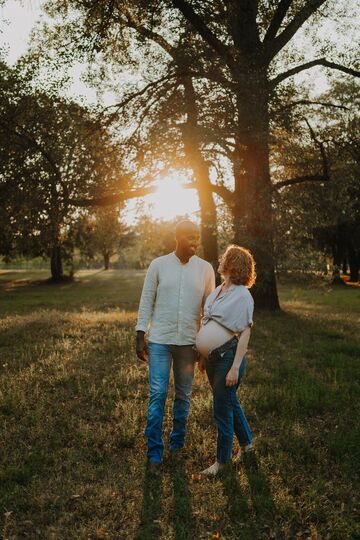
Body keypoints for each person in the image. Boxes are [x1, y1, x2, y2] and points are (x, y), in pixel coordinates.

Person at [136, 220, 215, 472]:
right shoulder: (158, 265)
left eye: (198, 236)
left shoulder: (205, 269)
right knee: (158, 393)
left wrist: (204, 348)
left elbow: (209, 311)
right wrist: (140, 333)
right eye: (190, 236)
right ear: (178, 237)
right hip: (160, 340)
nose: (196, 240)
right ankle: (154, 453)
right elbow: (147, 298)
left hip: (188, 345)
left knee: (183, 396)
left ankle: (177, 445)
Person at [195, 244, 256, 476]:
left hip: (227, 359)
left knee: (222, 408)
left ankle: (222, 462)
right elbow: (207, 322)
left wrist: (235, 368)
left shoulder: (242, 295)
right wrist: (202, 355)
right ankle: (248, 446)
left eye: (225, 257)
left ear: (233, 263)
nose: (220, 259)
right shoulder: (219, 290)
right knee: (230, 402)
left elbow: (245, 332)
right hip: (212, 359)